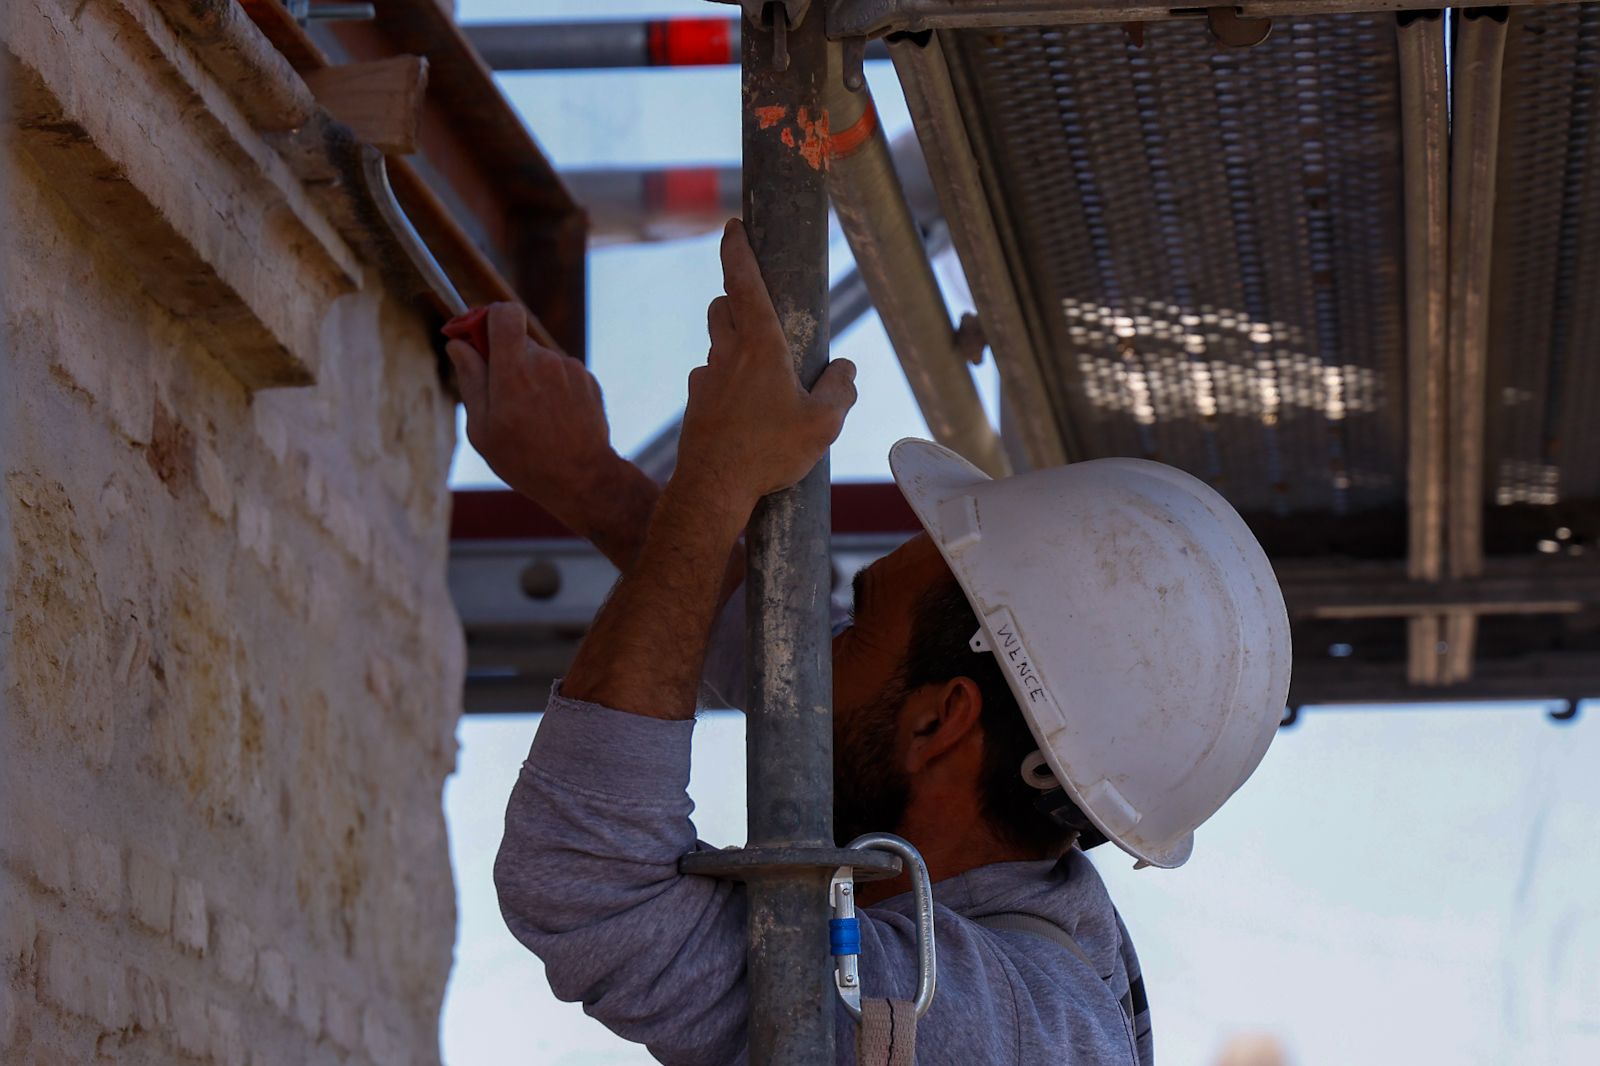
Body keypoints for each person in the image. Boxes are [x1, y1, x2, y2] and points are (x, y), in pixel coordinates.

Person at [447, 221, 1291, 1065]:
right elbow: (814, 688)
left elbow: (590, 880)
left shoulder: (969, 1028)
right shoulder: (1030, 934)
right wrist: (598, 482)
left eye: (856, 632)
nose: (815, 661)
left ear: (941, 725)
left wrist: (719, 475)